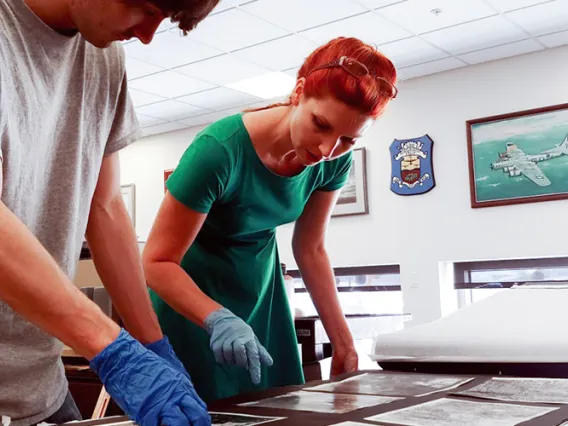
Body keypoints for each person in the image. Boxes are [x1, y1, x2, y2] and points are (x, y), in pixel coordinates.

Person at [142, 36, 398, 403]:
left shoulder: (334, 160)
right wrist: (216, 318)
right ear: (298, 94)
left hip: (261, 294)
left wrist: (343, 341)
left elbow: (310, 249)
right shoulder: (219, 152)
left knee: (278, 408)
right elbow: (156, 262)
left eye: (347, 139)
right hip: (192, 298)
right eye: (321, 124)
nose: (328, 150)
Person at [0, 0, 219, 425]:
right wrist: (109, 344)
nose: (148, 35)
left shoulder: (105, 58)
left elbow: (105, 207)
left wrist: (153, 345)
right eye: (143, 7)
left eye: (165, 20)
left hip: (39, 388)